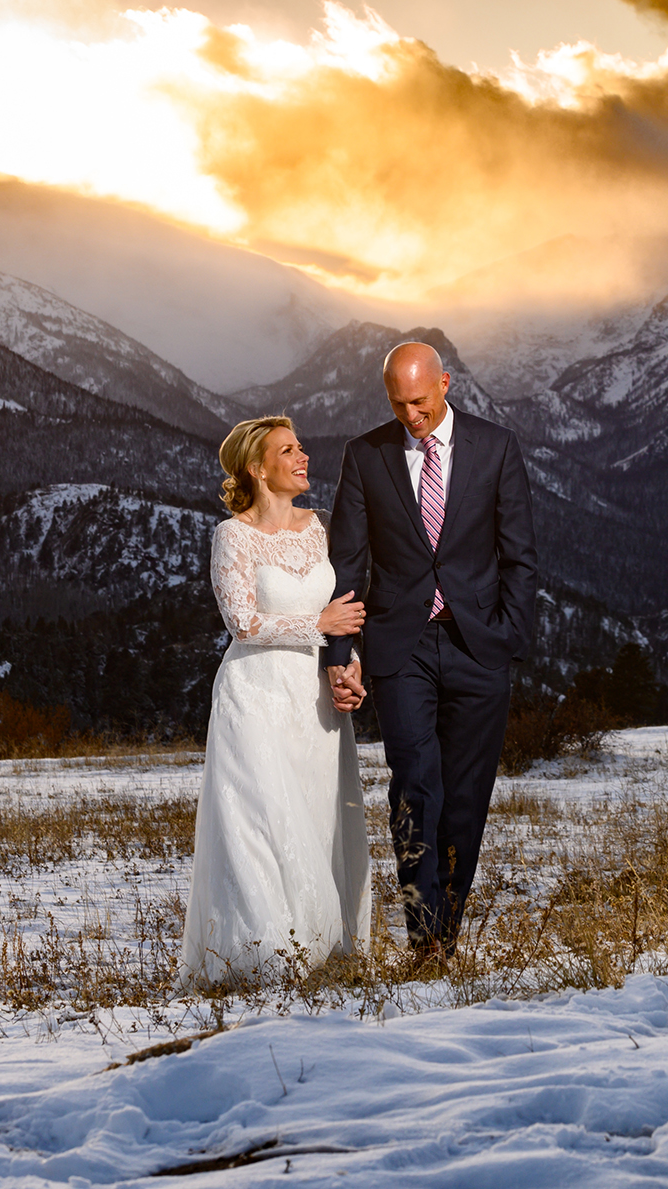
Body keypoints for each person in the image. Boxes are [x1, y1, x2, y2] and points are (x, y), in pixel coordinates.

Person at [323, 342, 536, 967]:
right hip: (400, 649)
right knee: (415, 789)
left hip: (479, 648)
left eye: (419, 401)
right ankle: (422, 936)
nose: (410, 415)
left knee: (467, 797)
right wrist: (341, 649)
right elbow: (347, 562)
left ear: (444, 383)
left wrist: (509, 637)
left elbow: (520, 555)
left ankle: (448, 928)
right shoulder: (367, 455)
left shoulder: (495, 448)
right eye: (397, 403)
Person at [178, 417, 373, 989]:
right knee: (259, 824)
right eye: (287, 450)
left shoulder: (320, 528)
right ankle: (264, 957)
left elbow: (344, 618)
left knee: (313, 817)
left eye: (302, 447)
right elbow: (242, 621)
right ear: (258, 469)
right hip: (254, 697)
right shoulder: (231, 536)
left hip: (313, 701)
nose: (303, 456)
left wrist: (348, 660)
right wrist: (320, 623)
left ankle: (320, 948)